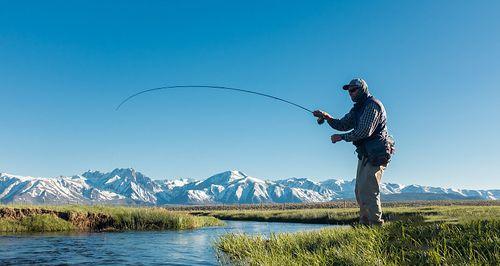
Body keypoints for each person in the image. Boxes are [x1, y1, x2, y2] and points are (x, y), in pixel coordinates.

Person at [313, 78, 394, 226]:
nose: (350, 93)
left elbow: (364, 131)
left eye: (353, 90)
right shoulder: (357, 109)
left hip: (377, 153)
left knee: (369, 191)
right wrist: (327, 117)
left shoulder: (372, 106)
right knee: (360, 191)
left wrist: (341, 138)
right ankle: (364, 225)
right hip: (365, 153)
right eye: (349, 91)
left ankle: (376, 226)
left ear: (363, 89)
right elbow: (342, 124)